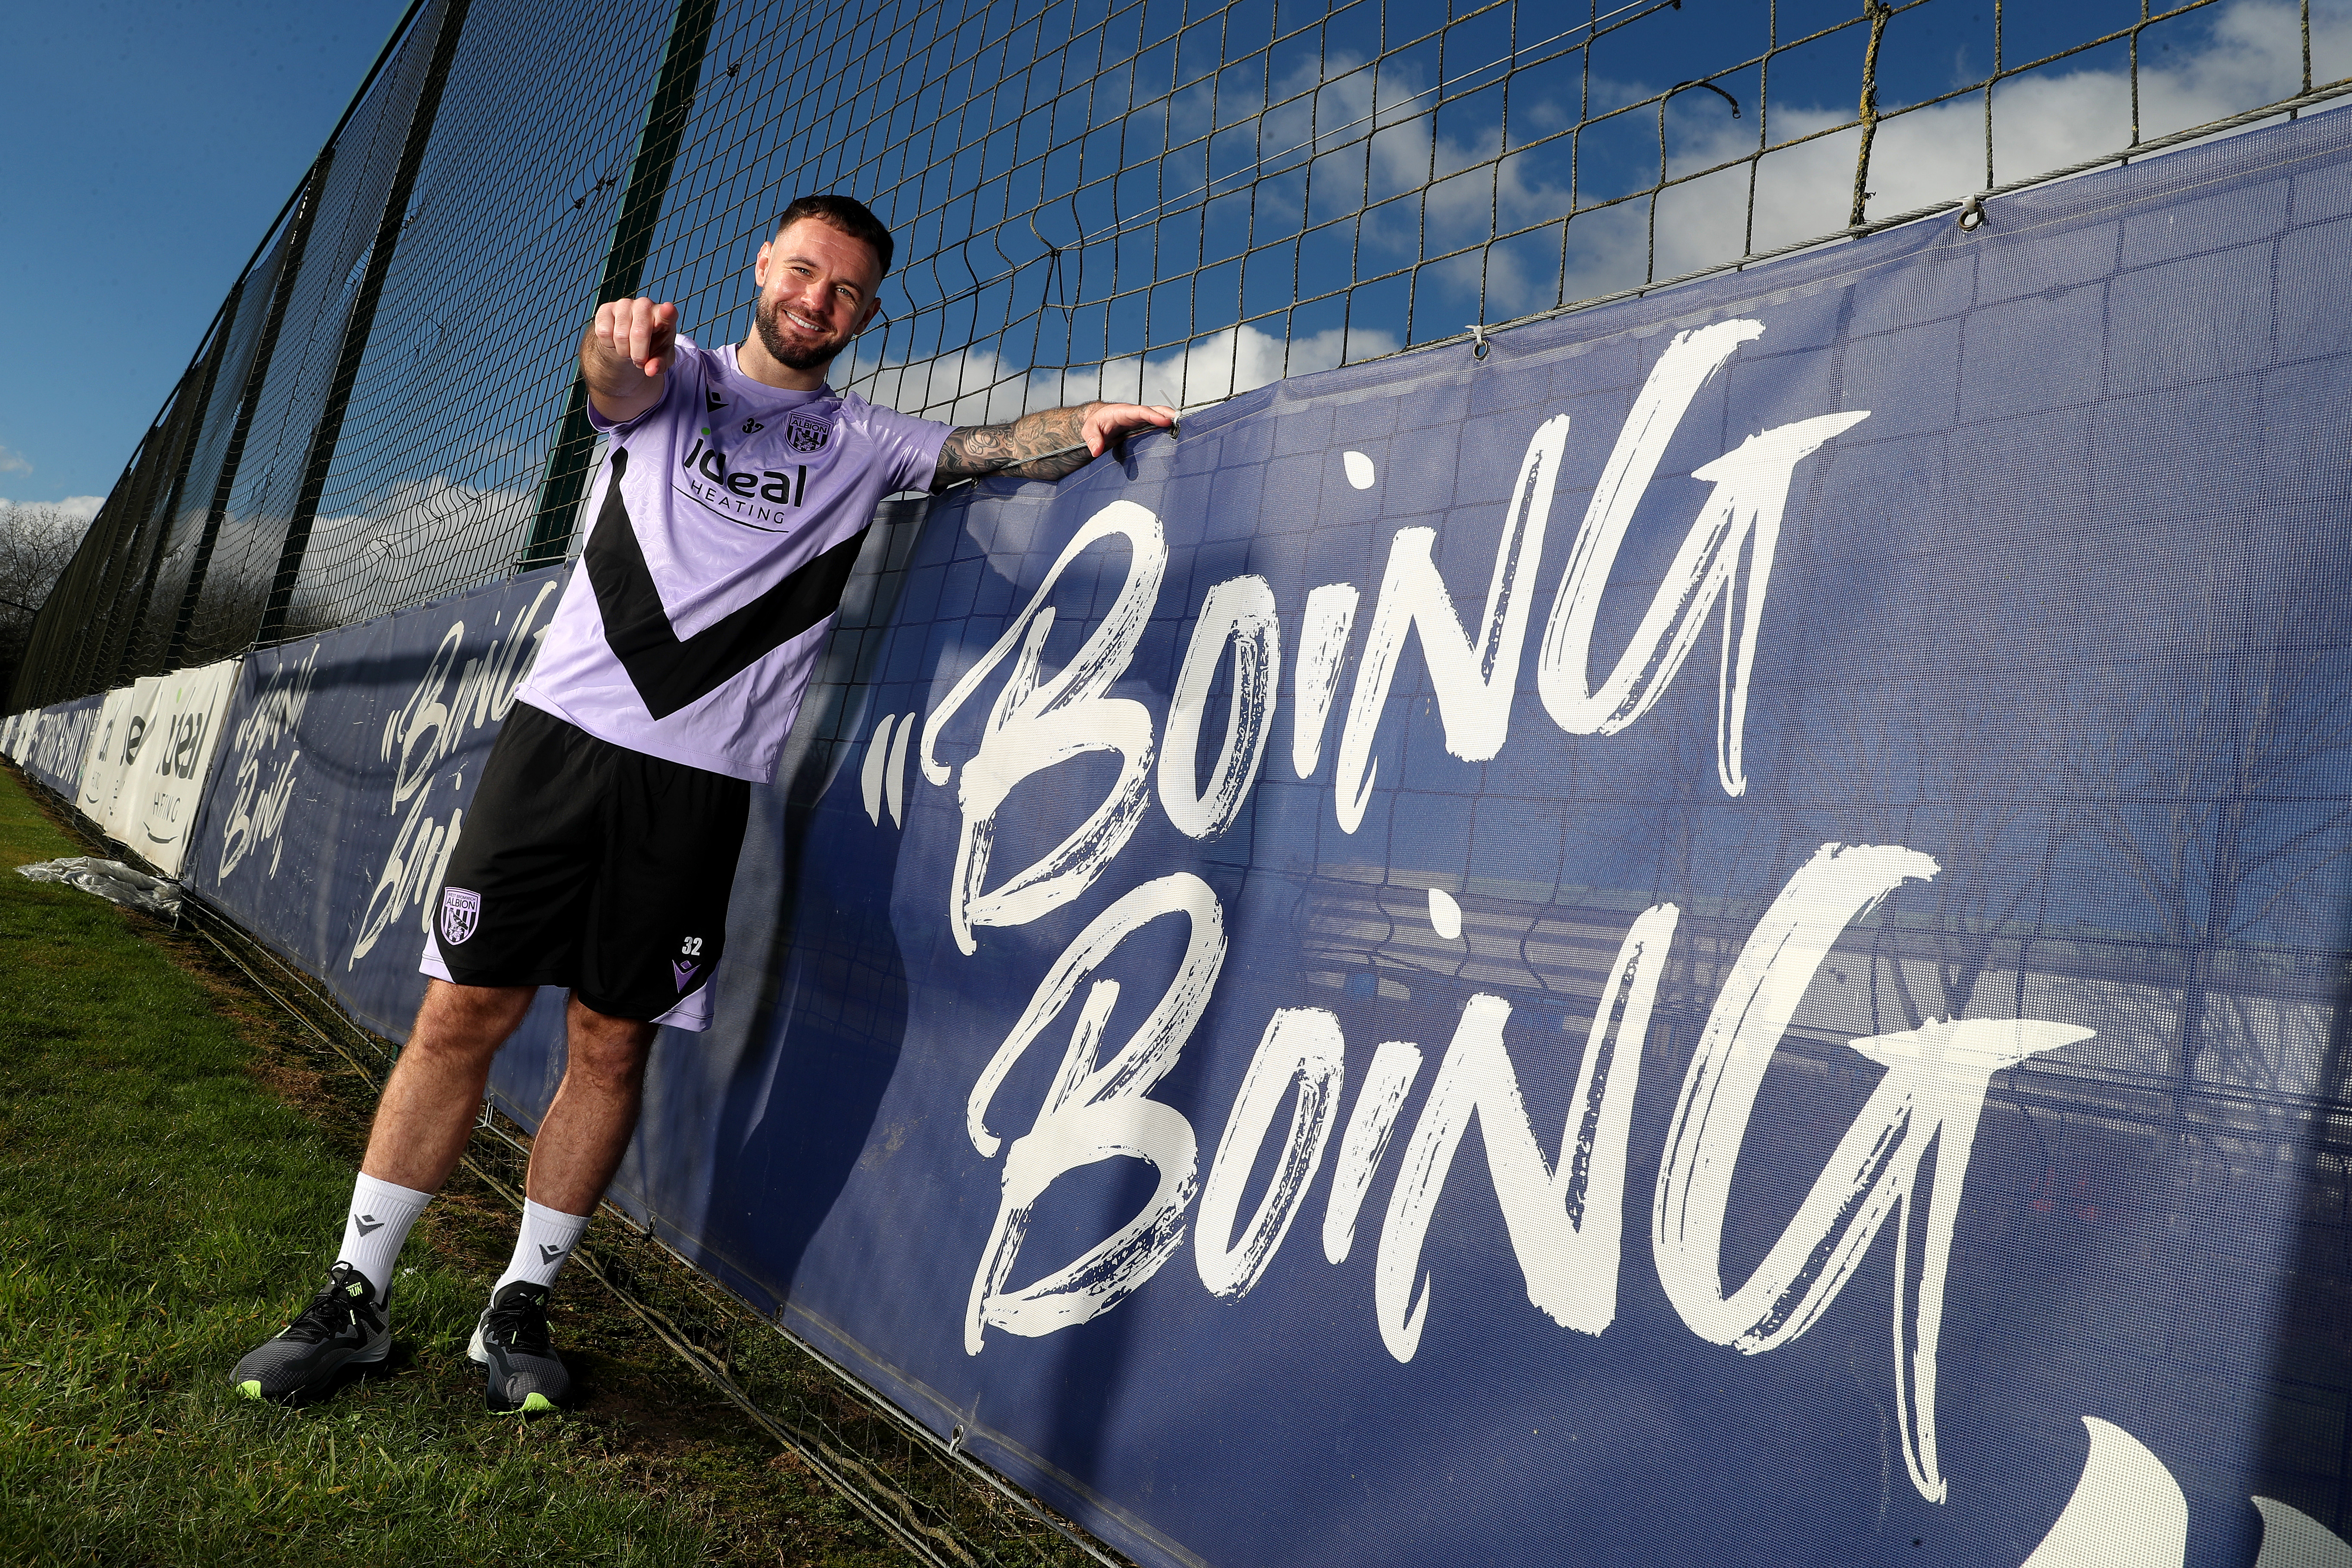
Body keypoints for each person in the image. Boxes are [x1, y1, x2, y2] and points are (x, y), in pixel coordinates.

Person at [231, 193, 1175, 1411]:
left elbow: (986, 451)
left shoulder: (869, 445)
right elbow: (610, 384)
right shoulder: (674, 383)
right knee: (464, 1015)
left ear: (867, 313)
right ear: (762, 268)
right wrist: (611, 344)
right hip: (559, 750)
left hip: (699, 791)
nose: (816, 300)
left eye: (844, 290)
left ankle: (521, 1302)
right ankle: (356, 1296)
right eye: (802, 271)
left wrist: (1084, 421)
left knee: (611, 1042)